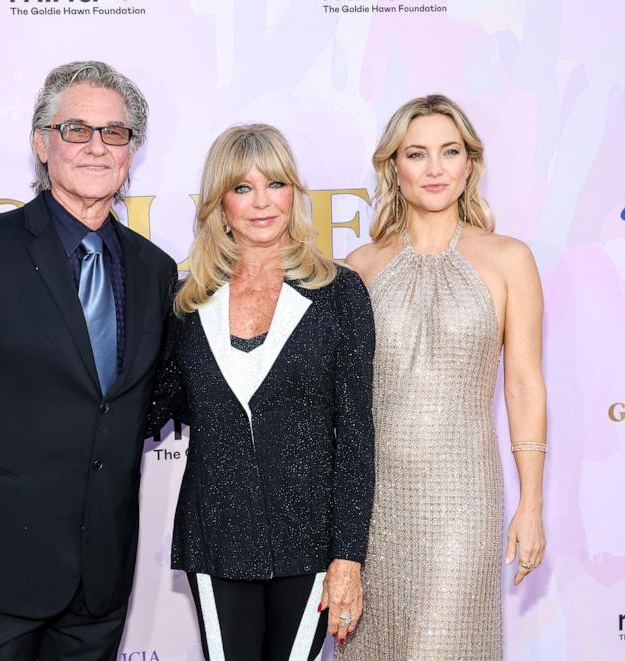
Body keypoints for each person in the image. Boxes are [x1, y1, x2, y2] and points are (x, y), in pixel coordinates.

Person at [0, 61, 177, 660]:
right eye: (77, 130)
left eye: (115, 132)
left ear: (133, 149)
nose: (97, 147)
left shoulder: (155, 270)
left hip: (101, 576)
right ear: (41, 143)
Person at [147, 123, 375, 660]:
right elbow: (150, 405)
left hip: (311, 541)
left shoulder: (339, 293)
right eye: (242, 188)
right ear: (219, 204)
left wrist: (348, 557)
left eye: (274, 184)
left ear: (294, 193)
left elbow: (357, 436)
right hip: (218, 533)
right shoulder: (187, 302)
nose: (261, 203)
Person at [338, 94, 548, 659]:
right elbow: (346, 406)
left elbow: (525, 384)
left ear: (469, 164)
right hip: (375, 504)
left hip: (463, 499)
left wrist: (531, 503)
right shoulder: (359, 268)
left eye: (449, 152)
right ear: (393, 167)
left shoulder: (509, 259)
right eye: (417, 154)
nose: (434, 169)